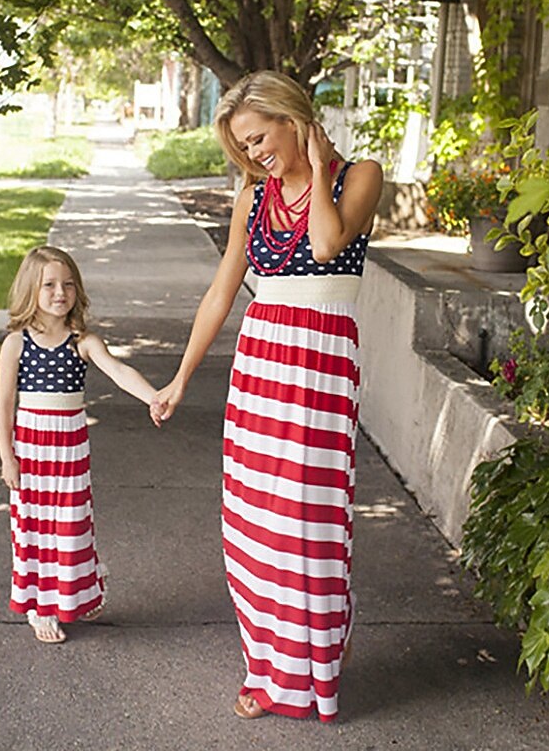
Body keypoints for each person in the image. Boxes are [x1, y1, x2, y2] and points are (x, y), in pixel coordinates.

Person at [152, 70, 383, 721]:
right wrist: (180, 378)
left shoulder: (357, 177)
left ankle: (313, 676)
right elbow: (223, 292)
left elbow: (327, 243)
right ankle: (269, 670)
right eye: (243, 147)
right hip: (259, 366)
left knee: (305, 525)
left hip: (320, 365)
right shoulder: (252, 198)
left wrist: (313, 164)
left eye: (259, 138)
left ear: (293, 117)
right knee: (254, 528)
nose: (254, 155)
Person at [0, 245, 159, 644]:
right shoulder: (16, 344)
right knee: (34, 527)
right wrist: (7, 458)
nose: (59, 292)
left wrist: (153, 396)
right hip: (32, 453)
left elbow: (119, 370)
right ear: (30, 289)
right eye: (48, 284)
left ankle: (76, 591)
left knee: (72, 525)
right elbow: (3, 405)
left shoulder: (82, 342)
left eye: (68, 284)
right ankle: (40, 606)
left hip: (69, 454)